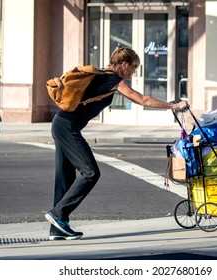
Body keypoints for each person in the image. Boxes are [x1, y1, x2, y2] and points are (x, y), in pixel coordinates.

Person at [45, 47, 189, 240]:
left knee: (65, 177)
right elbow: (142, 99)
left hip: (61, 124)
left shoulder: (103, 75)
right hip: (67, 127)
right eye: (134, 67)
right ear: (123, 65)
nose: (134, 72)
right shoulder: (113, 79)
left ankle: (57, 228)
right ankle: (58, 214)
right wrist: (174, 106)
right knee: (90, 172)